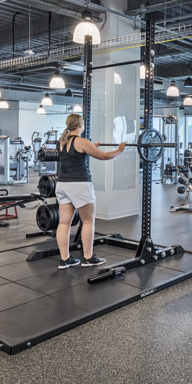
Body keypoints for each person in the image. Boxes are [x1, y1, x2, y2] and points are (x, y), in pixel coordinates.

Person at [55, 113, 125, 270]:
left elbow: (77, 154)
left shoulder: (61, 142)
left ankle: (65, 259)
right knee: (88, 221)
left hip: (62, 184)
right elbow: (105, 157)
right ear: (80, 125)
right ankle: (88, 257)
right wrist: (119, 150)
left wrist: (93, 147)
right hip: (79, 185)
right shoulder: (82, 141)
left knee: (64, 222)